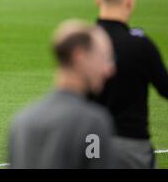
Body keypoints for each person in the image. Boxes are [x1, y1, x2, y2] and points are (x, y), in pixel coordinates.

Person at [9, 20, 116, 168]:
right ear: (79, 57)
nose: (109, 69)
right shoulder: (92, 123)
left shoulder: (21, 121)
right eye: (103, 58)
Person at [91, 0, 168, 168]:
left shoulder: (81, 43)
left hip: (90, 144)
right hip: (131, 145)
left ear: (98, 0)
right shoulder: (140, 45)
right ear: (129, 2)